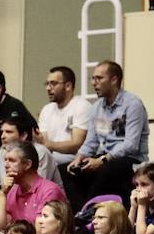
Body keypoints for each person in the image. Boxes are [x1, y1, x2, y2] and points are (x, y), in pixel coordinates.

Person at [63, 61, 147, 210]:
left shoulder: (133, 105)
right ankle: (81, 214)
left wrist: (102, 160)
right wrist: (79, 158)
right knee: (67, 170)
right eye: (93, 78)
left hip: (131, 159)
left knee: (107, 169)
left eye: (99, 78)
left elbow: (131, 145)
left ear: (114, 80)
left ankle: (90, 211)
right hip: (105, 157)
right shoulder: (96, 108)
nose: (94, 83)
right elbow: (92, 141)